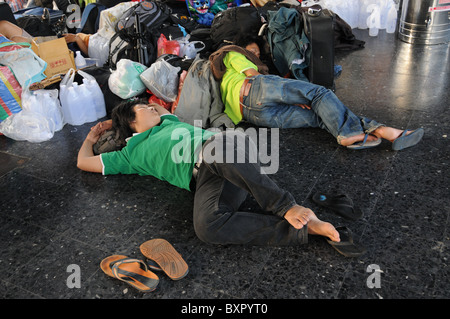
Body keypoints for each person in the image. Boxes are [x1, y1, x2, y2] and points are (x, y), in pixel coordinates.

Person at [77, 99, 344, 251]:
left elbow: (158, 110)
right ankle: (304, 228)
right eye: (142, 108)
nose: (151, 108)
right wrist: (91, 137)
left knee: (216, 149)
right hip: (211, 177)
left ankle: (285, 205)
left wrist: (115, 121)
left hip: (226, 147)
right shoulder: (129, 155)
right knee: (207, 228)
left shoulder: (168, 121)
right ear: (131, 122)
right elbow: (83, 162)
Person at [209, 36, 424, 151]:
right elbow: (253, 75)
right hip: (254, 89)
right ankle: (372, 131)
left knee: (322, 115)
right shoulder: (232, 54)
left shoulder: (222, 81)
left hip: (253, 116)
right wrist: (297, 95)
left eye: (256, 52)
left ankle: (382, 132)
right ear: (242, 47)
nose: (254, 54)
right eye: (252, 51)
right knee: (319, 94)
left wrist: (293, 100)